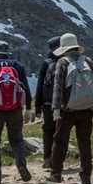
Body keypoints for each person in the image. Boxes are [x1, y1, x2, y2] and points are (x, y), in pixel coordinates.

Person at [48, 33, 93, 184]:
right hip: (87, 109)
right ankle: (86, 176)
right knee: (85, 142)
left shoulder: (62, 62)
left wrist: (56, 108)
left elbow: (58, 87)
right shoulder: (87, 61)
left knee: (60, 141)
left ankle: (56, 173)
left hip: (67, 110)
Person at [0, 39, 33, 184]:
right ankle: (21, 164)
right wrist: (28, 108)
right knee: (17, 140)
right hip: (16, 109)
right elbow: (26, 88)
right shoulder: (17, 66)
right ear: (7, 53)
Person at [35, 36, 62, 164]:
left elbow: (40, 85)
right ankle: (58, 159)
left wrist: (37, 107)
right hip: (64, 103)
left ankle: (47, 159)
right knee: (61, 131)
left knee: (48, 130)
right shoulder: (67, 62)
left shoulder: (47, 63)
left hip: (47, 103)